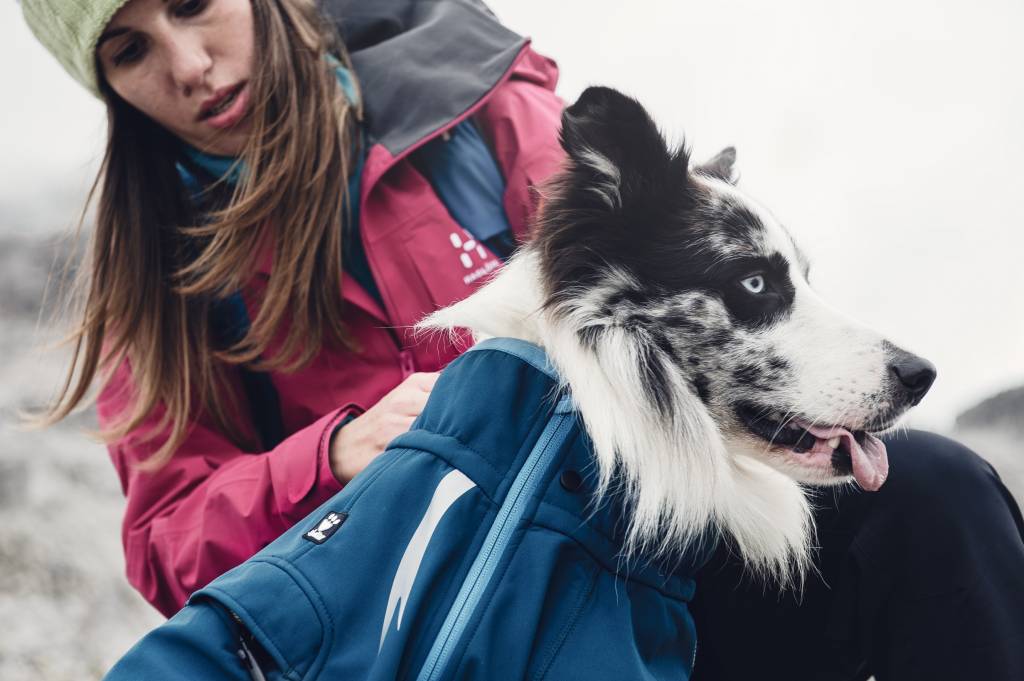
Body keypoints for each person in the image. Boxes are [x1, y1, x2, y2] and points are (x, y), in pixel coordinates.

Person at [20, 0, 1024, 678]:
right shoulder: (151, 281)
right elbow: (168, 547)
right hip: (425, 628)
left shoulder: (484, 109)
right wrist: (333, 454)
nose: (188, 65)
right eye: (128, 49)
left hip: (643, 565)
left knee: (930, 496)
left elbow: (649, 306)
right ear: (105, 84)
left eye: (193, 1)